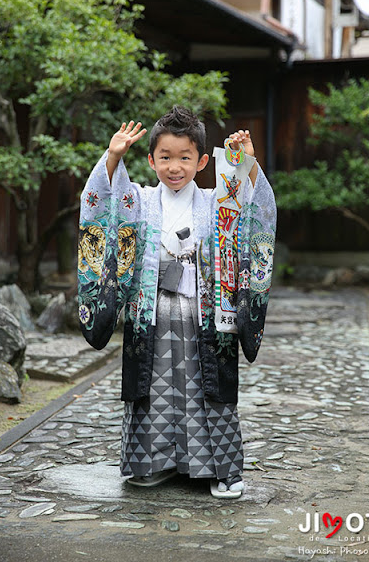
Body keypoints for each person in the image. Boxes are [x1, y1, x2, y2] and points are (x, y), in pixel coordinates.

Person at [78, 106, 276, 499]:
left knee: (209, 390)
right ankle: (152, 463)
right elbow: (104, 203)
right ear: (150, 160)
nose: (174, 167)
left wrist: (247, 162)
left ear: (202, 161)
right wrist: (114, 156)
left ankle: (222, 470)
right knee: (153, 387)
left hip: (204, 312)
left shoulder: (218, 201)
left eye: (185, 157)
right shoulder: (139, 199)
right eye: (165, 157)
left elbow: (257, 210)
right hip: (150, 311)